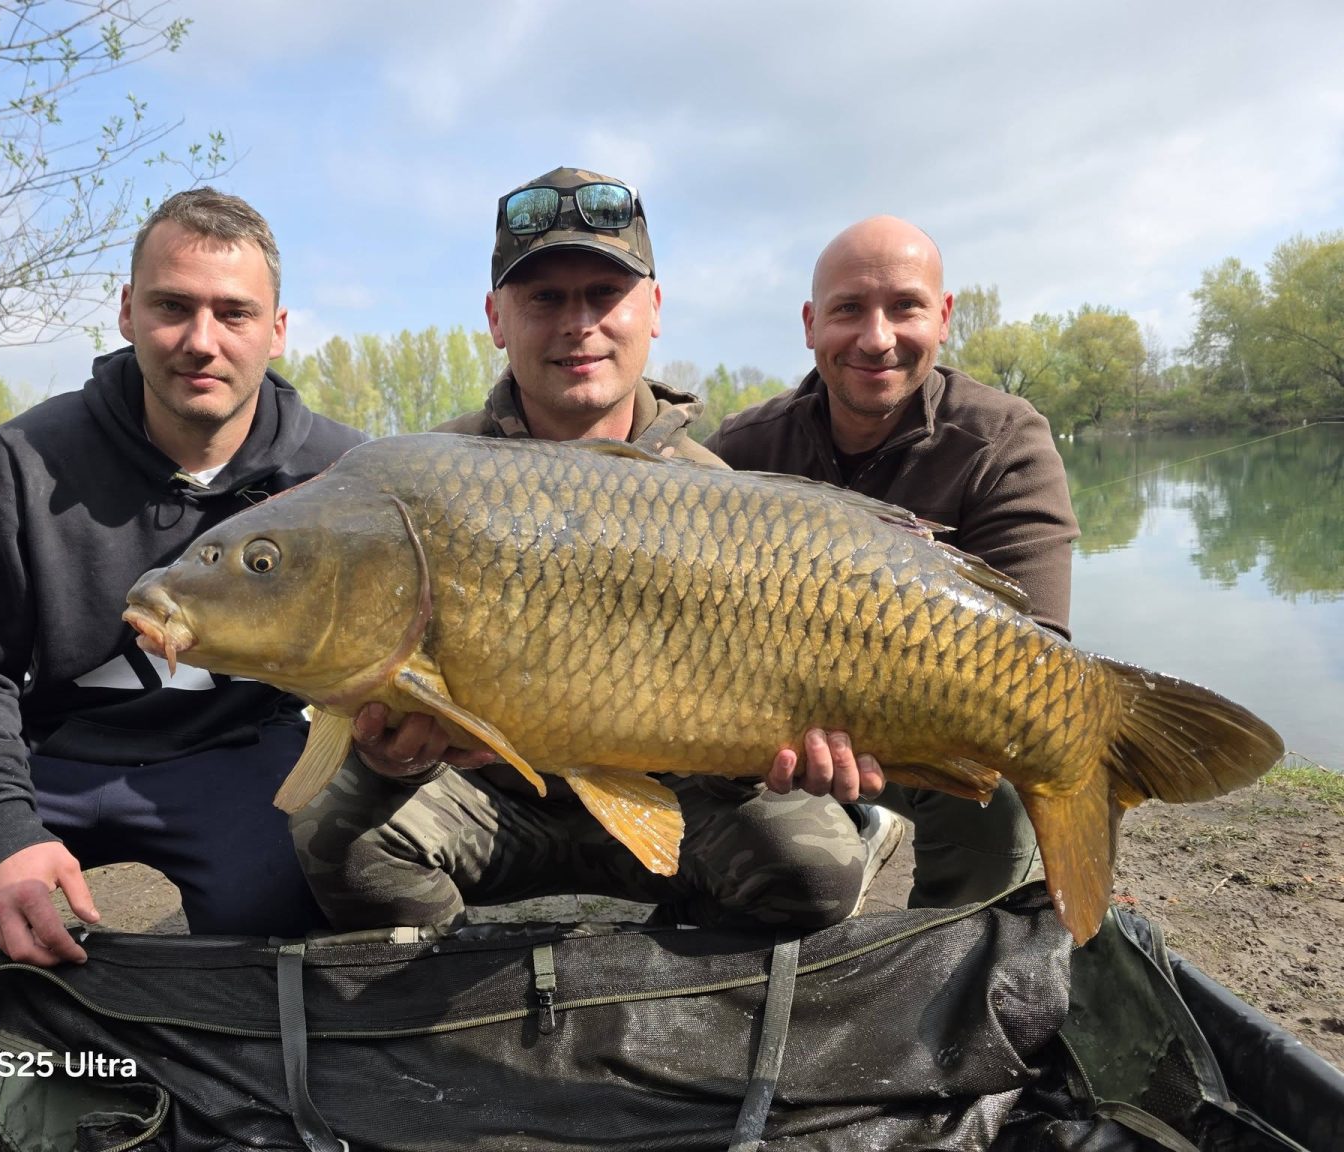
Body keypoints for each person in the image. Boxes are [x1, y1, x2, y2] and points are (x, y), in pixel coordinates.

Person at [290, 167, 901, 933]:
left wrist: (774, 761)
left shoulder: (715, 493)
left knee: (816, 872)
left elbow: (754, 728)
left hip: (671, 795)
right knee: (331, 838)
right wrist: (391, 756)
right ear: (496, 319)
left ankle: (664, 976)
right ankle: (457, 986)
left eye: (604, 295)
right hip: (490, 803)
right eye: (545, 298)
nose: (578, 324)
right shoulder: (426, 479)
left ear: (654, 310)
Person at [0, 189, 366, 998]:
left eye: (233, 313)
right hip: (49, 753)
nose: (201, 341)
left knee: (321, 898)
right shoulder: (22, 461)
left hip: (239, 752)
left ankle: (176, 1000)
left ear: (275, 330)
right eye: (172, 307)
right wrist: (1, 837)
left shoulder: (344, 477)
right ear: (127, 311)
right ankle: (77, 1001)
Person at [706, 215, 1081, 909]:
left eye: (905, 306)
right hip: (767, 728)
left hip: (923, 719)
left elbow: (1038, 651)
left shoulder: (1005, 441)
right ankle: (843, 831)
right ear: (811, 324)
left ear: (943, 318)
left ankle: (944, 949)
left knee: (1003, 782)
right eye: (848, 309)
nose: (876, 338)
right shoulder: (740, 449)